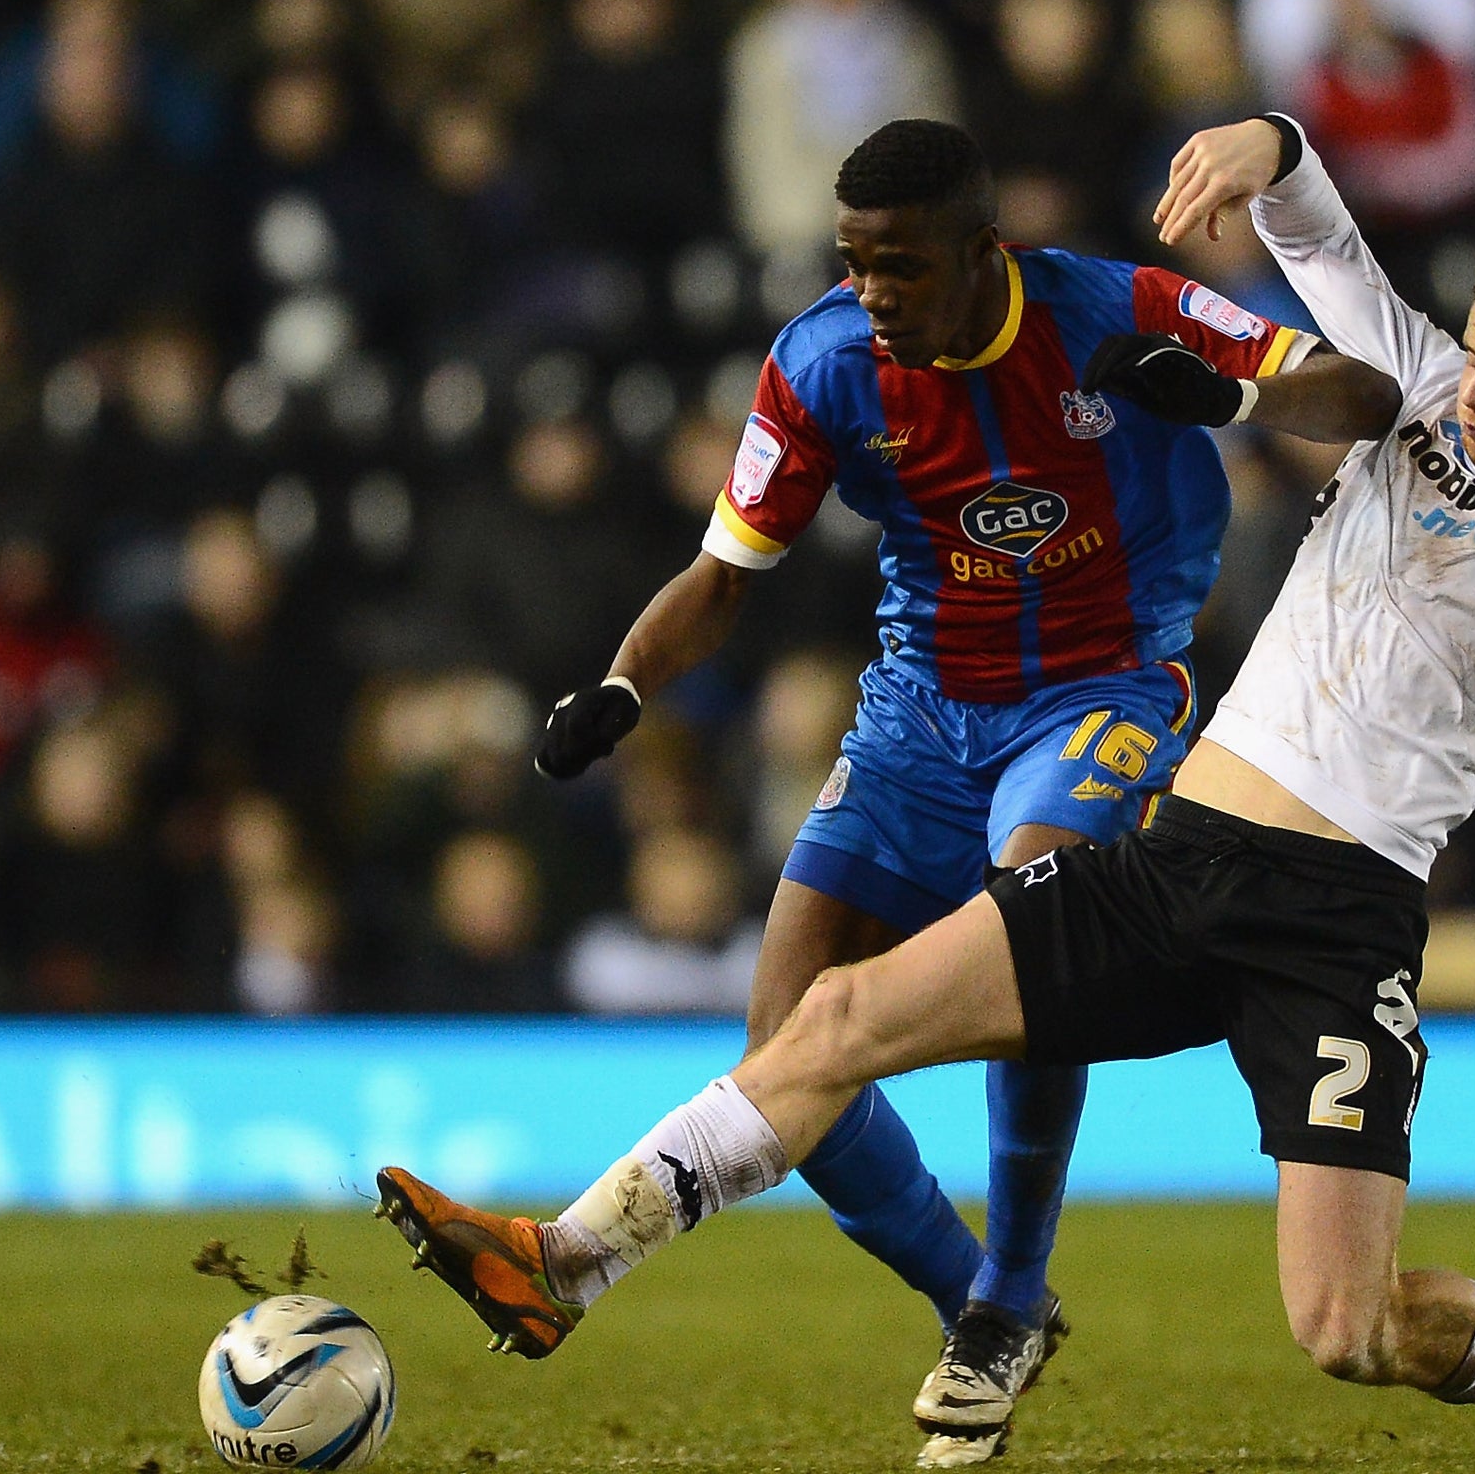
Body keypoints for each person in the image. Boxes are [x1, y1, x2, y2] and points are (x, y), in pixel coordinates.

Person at [374, 113, 1475, 1463]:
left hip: (1336, 924)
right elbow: (1315, 242)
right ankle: (566, 1261)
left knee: (1344, 1331)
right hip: (1183, 857)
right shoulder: (1415, 390)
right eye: (1469, 352)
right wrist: (1263, 145)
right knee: (828, 1017)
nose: (1471, 387)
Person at [519, 117, 1397, 1466]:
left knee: (1036, 899)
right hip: (920, 707)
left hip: (1103, 687)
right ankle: (993, 1304)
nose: (875, 292)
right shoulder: (820, 363)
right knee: (782, 1044)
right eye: (855, 263)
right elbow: (723, 575)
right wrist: (625, 687)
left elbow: (1361, 396)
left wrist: (1225, 397)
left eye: (903, 267)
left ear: (985, 251)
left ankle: (1000, 1291)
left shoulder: (1120, 309)